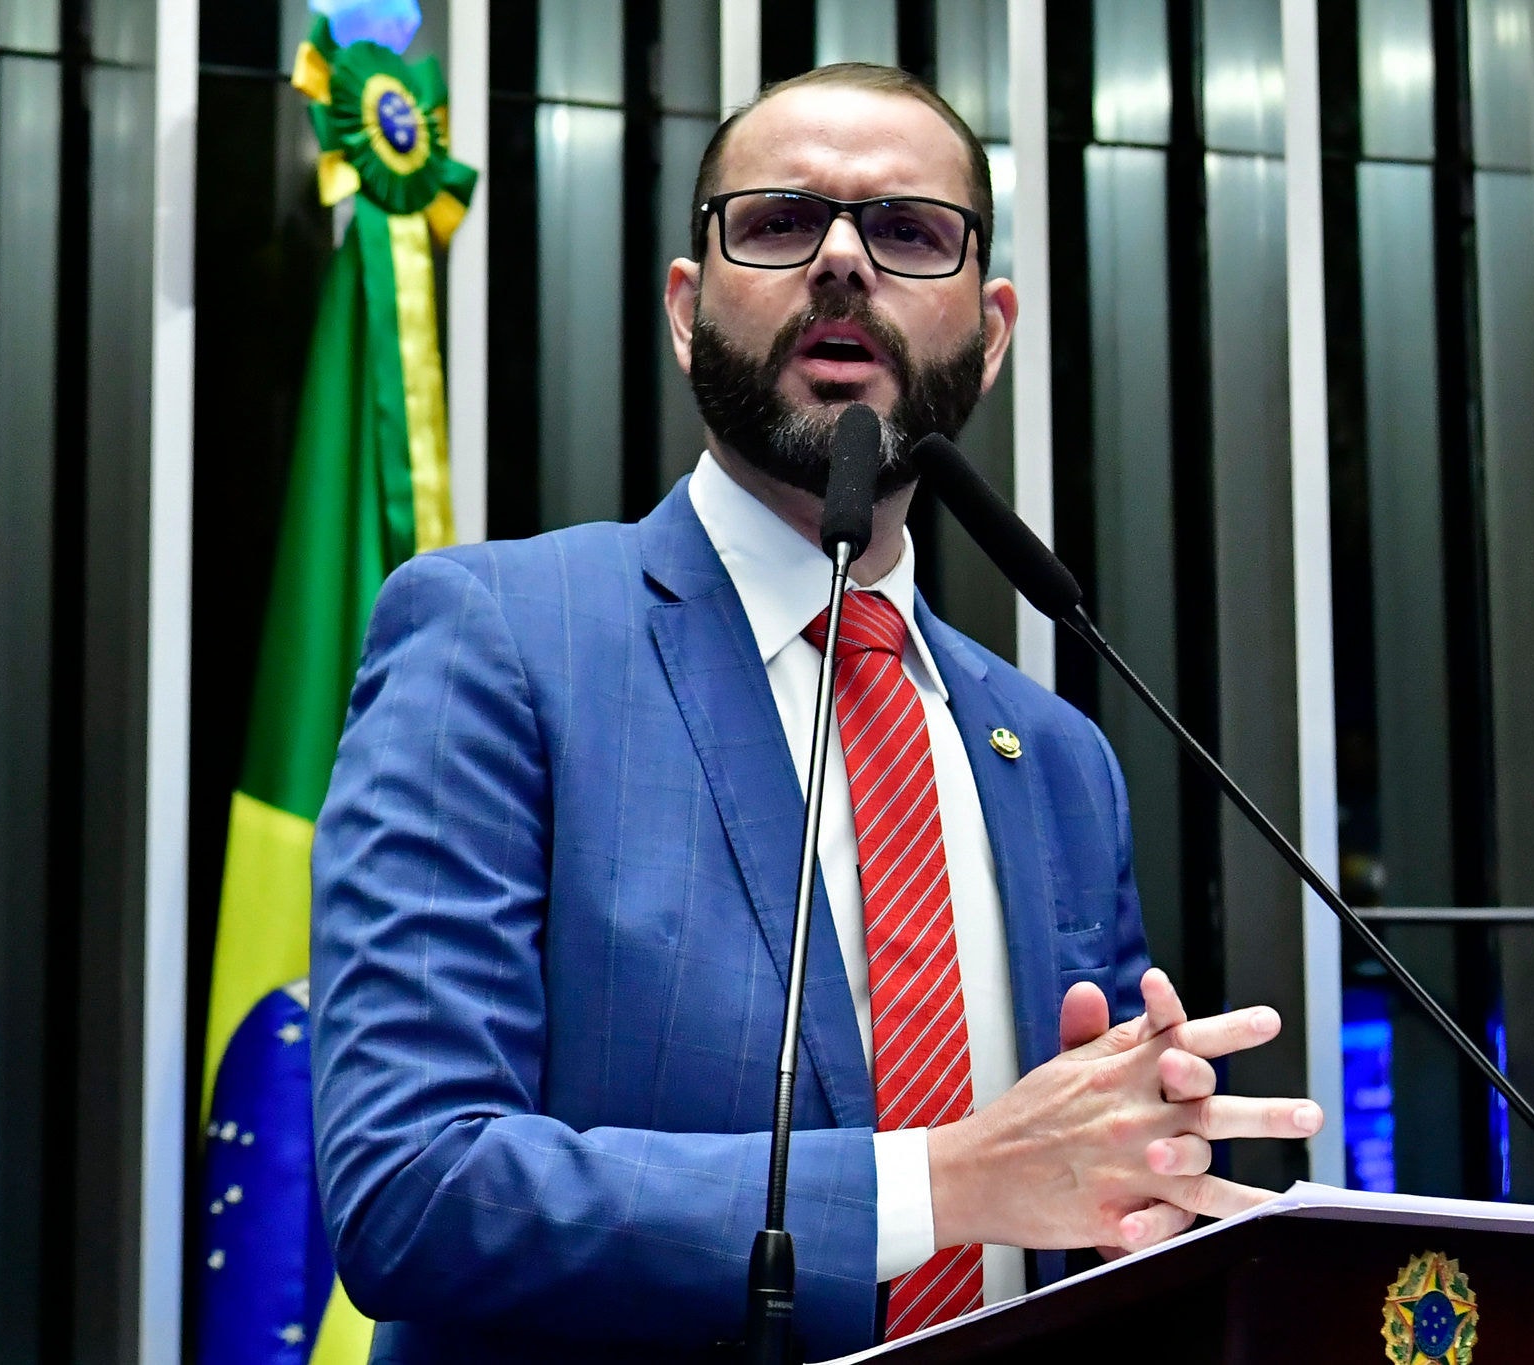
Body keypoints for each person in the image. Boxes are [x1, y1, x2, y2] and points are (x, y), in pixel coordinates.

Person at [310, 62, 1322, 1363]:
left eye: (908, 231)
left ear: (991, 330)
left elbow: (1079, 1193)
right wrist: (940, 1181)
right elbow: (413, 1190)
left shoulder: (1057, 749)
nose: (844, 261)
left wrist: (1157, 1166)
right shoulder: (497, 637)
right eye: (782, 221)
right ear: (686, 311)